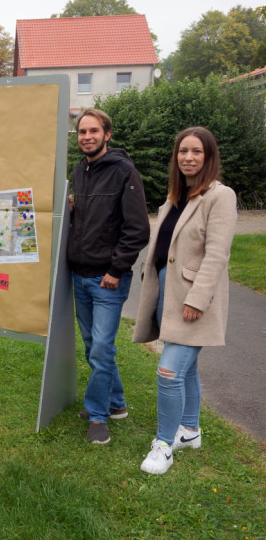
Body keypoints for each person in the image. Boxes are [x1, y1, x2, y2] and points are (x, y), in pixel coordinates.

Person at [134, 127, 237, 475]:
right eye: (182, 151)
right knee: (186, 368)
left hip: (194, 300)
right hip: (167, 293)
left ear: (209, 157)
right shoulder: (176, 196)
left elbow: (216, 254)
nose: (188, 158)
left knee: (168, 371)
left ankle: (164, 445)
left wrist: (198, 299)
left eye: (196, 152)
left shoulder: (219, 196)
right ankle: (189, 431)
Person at [67, 108, 150, 444]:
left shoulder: (123, 172)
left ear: (107, 134)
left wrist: (116, 270)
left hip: (107, 280)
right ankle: (116, 404)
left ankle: (98, 417)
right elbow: (88, 221)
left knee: (101, 348)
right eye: (82, 132)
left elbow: (138, 229)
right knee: (93, 347)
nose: (87, 137)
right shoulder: (79, 171)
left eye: (93, 131)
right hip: (80, 275)